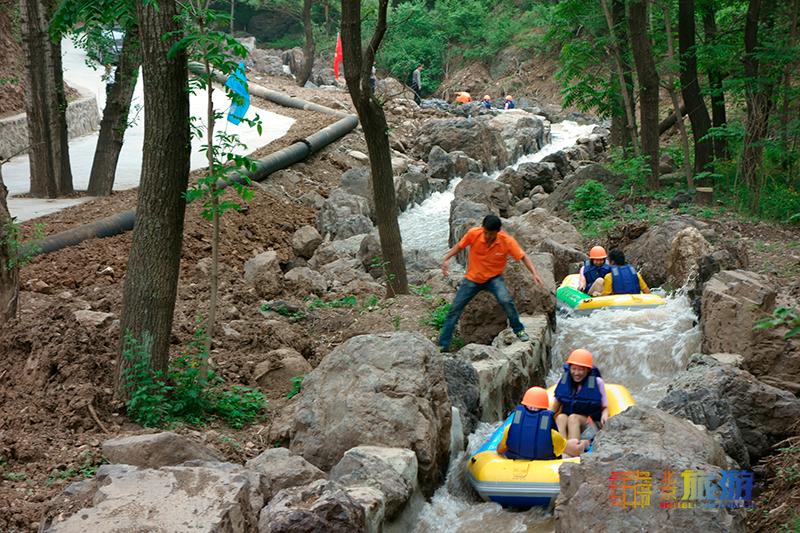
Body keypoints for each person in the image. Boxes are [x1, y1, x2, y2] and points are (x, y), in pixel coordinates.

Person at [439, 215, 544, 352]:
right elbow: (459, 246)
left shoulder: (506, 241)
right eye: (486, 233)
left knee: (506, 301)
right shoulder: (473, 234)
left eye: (491, 234)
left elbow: (523, 256)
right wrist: (446, 258)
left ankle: (519, 330)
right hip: (472, 278)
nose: (488, 236)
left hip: (494, 278)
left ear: (498, 232)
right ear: (483, 229)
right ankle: (444, 344)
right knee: (455, 309)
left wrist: (534, 273)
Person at [497, 387, 588, 460]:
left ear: (524, 406)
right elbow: (574, 451)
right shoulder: (552, 435)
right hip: (544, 471)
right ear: (544, 410)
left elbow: (499, 450)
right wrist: (584, 444)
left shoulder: (509, 429)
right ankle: (586, 442)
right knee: (569, 452)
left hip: (514, 466)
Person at [552, 348, 609, 443]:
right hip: (568, 422)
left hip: (589, 425)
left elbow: (604, 407)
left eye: (581, 370)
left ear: (587, 370)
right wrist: (544, 418)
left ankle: (574, 448)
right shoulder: (563, 381)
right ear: (569, 368)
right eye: (573, 369)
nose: (576, 373)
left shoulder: (598, 382)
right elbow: (555, 406)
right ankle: (561, 447)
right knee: (561, 417)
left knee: (573, 418)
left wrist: (605, 416)